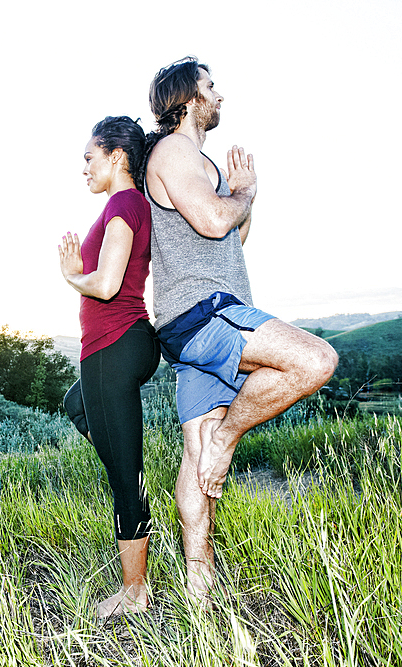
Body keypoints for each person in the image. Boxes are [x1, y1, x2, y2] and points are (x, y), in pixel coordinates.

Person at [144, 57, 338, 605]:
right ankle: (228, 439)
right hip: (205, 312)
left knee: (194, 452)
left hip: (197, 321)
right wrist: (241, 197)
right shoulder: (173, 152)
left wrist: (245, 191)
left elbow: (231, 236)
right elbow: (213, 220)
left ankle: (197, 583)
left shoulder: (198, 161)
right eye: (210, 86)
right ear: (185, 97)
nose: (219, 94)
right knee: (314, 360)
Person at [58, 116, 161, 619]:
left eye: (89, 157)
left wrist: (72, 275)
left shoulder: (123, 204)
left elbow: (105, 285)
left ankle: (135, 594)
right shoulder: (126, 206)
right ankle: (130, 477)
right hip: (120, 343)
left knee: (124, 474)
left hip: (114, 343)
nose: (84, 169)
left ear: (117, 156)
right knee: (75, 403)